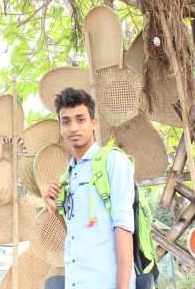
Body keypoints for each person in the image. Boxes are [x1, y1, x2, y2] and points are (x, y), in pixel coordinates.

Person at [43, 87, 136, 289]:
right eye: (66, 121)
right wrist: (56, 209)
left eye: (80, 119)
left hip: (107, 282)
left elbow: (123, 228)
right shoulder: (67, 175)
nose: (73, 128)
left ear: (94, 122)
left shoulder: (113, 161)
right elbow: (76, 232)